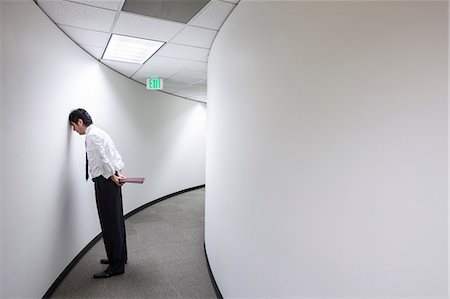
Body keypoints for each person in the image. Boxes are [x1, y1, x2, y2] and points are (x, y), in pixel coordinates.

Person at [69, 108, 128, 279]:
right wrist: (117, 172)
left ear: (80, 122)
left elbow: (102, 159)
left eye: (74, 126)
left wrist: (111, 175)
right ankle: (118, 258)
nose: (74, 130)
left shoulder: (92, 136)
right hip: (111, 180)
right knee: (116, 221)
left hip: (105, 183)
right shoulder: (100, 132)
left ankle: (116, 266)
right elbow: (114, 155)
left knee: (110, 223)